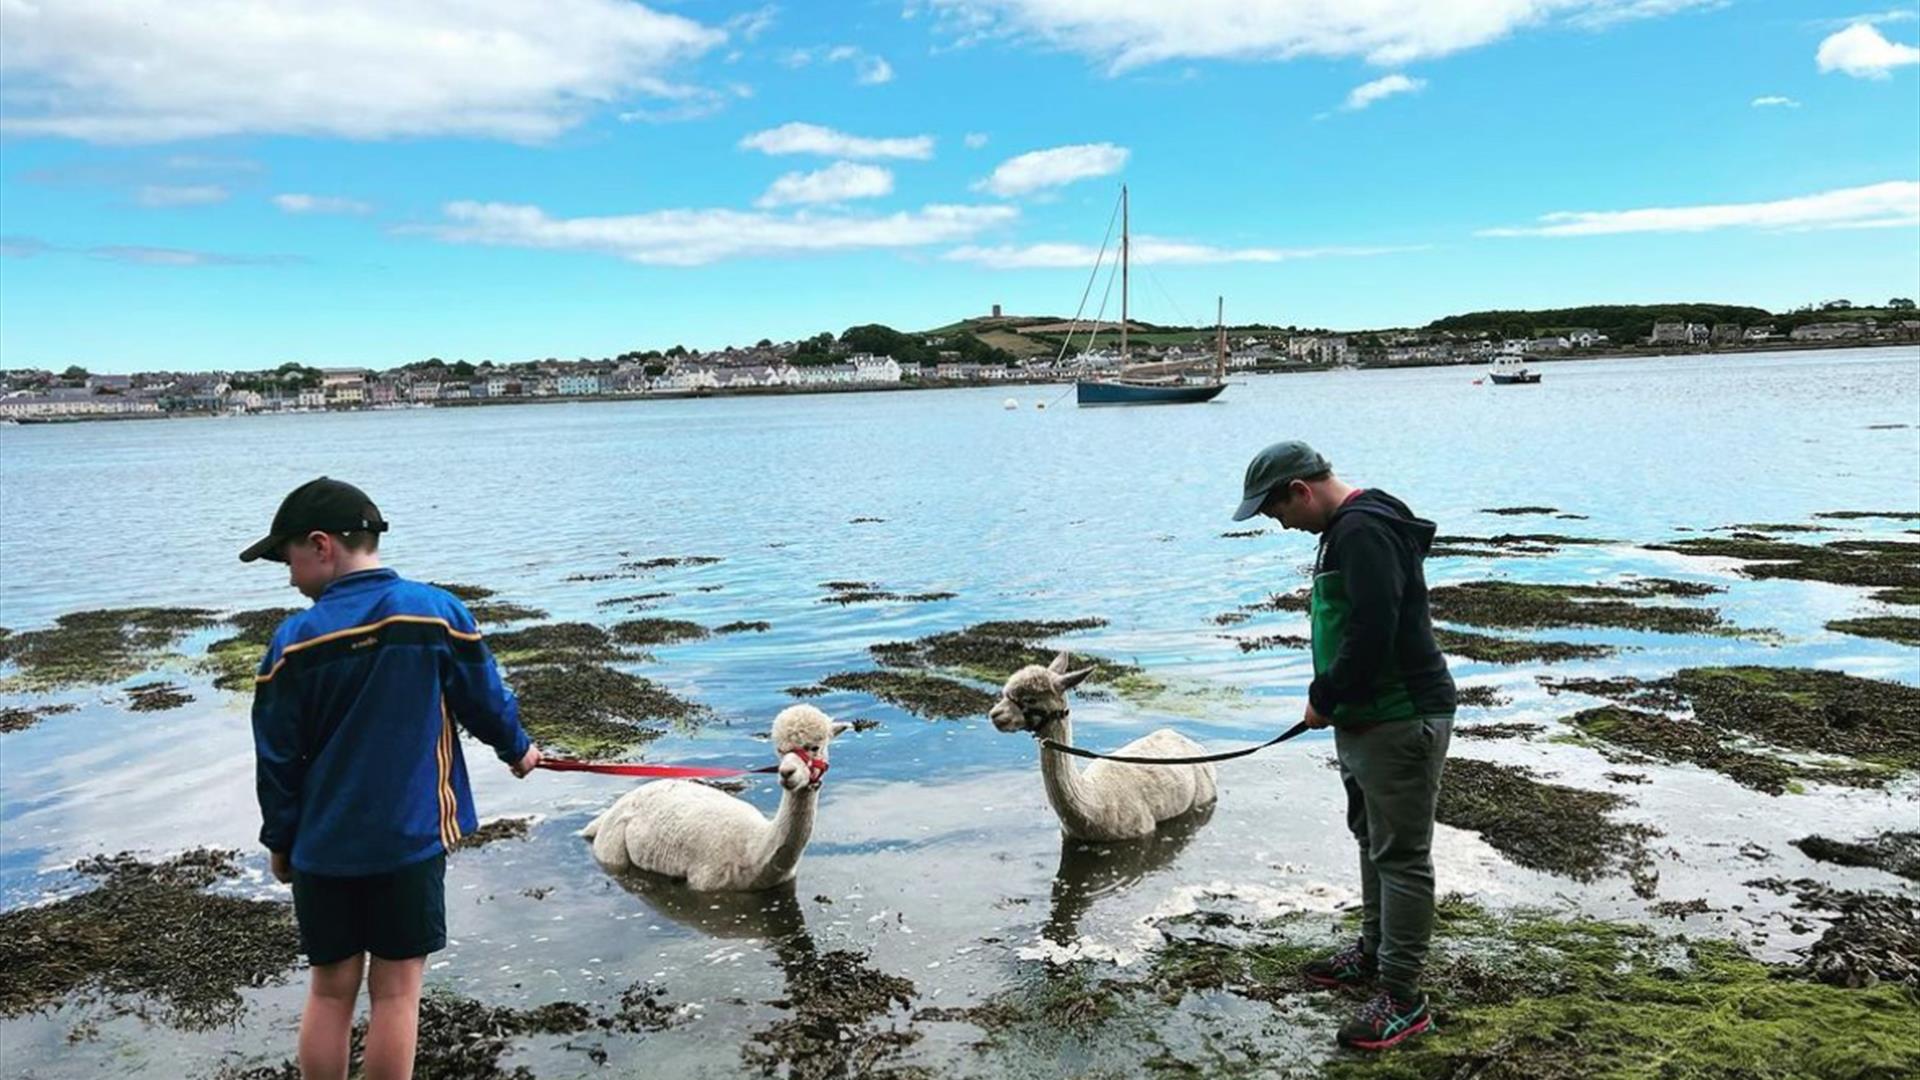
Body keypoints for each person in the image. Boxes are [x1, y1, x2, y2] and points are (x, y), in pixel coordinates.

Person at [241, 477, 541, 1080]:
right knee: (398, 992)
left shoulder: (292, 643)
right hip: (410, 839)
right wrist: (519, 749)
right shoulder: (435, 613)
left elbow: (276, 758)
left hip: (323, 850)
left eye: (287, 558)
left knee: (329, 990)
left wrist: (281, 840)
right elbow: (484, 699)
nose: (288, 575)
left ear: (322, 546)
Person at [1232, 442, 1455, 1051]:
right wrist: (1335, 702)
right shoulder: (1349, 527)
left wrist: (1326, 696)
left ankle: (1403, 998)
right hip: (1366, 718)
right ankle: (1375, 950)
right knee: (1371, 837)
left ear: (1300, 491)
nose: (1278, 524)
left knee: (1402, 854)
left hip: (1399, 715)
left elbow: (1373, 628)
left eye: (1275, 511)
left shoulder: (1361, 531)